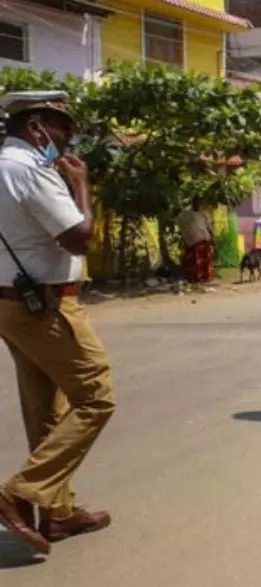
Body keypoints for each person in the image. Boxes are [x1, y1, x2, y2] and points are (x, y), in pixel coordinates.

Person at [0, 91, 114, 554]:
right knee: (95, 397)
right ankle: (19, 493)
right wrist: (82, 185)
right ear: (36, 128)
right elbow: (79, 238)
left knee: (46, 409)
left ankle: (59, 513)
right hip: (45, 304)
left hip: (11, 303)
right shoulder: (29, 169)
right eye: (62, 132)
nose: (66, 145)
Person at [177, 201, 216, 284]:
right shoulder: (186, 215)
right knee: (196, 261)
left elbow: (209, 227)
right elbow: (183, 229)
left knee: (203, 260)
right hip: (194, 241)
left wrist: (212, 238)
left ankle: (205, 277)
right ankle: (197, 277)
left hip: (201, 240)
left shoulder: (202, 214)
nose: (197, 205)